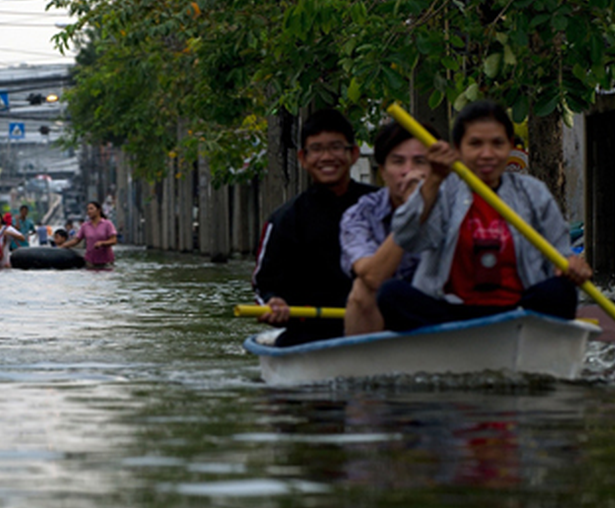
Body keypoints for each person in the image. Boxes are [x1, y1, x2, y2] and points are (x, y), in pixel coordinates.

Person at [377, 100, 592, 331]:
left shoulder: (532, 192)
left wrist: (571, 267)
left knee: (561, 292)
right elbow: (405, 237)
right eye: (475, 144)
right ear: (458, 148)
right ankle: (449, 343)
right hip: (451, 315)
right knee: (391, 294)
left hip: (517, 312)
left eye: (497, 144)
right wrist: (433, 181)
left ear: (509, 145)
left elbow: (560, 254)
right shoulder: (442, 188)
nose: (487, 154)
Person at [252, 108, 377, 346]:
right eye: (317, 149)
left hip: (377, 326)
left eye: (336, 147)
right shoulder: (284, 220)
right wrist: (273, 303)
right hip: (309, 333)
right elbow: (264, 285)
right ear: (303, 158)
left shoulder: (383, 207)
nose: (327, 157)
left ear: (353, 153)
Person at [340, 123, 430, 335]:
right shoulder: (360, 213)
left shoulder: (456, 205)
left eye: (419, 162)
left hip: (440, 308)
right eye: (398, 162)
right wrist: (412, 211)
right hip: (381, 316)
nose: (409, 172)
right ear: (383, 171)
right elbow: (372, 276)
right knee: (362, 290)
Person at [62, 201, 118, 268]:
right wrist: (63, 246)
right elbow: (76, 240)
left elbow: (114, 240)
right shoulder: (85, 226)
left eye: (91, 209)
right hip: (90, 262)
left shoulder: (107, 224)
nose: (89, 211)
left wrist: (102, 243)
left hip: (106, 262)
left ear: (99, 210)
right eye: (88, 209)